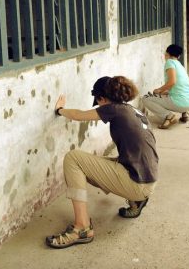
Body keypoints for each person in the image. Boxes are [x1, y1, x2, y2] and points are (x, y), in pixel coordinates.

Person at [47, 76, 158, 249]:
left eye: (98, 101)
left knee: (73, 159)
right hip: (147, 177)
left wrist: (60, 110)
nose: (98, 105)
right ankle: (136, 201)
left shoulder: (113, 109)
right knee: (91, 164)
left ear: (103, 98)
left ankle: (81, 228)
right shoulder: (132, 110)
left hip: (138, 184)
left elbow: (78, 115)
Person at [142, 44, 189, 129]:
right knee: (169, 95)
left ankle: (169, 116)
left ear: (167, 53)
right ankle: (184, 113)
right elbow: (178, 86)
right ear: (178, 56)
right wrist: (163, 92)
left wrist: (159, 90)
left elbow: (172, 82)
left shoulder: (169, 62)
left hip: (181, 103)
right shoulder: (179, 65)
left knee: (145, 99)